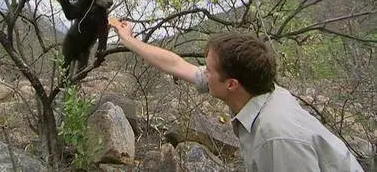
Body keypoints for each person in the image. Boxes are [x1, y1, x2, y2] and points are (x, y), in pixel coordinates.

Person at [111, 20, 364, 172]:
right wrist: (129, 39)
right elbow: (177, 65)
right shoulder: (260, 92)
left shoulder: (276, 136)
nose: (202, 73)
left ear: (232, 84)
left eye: (208, 70)